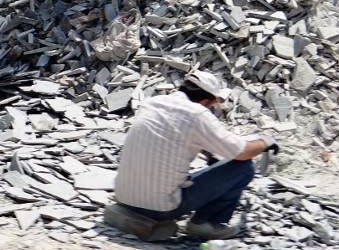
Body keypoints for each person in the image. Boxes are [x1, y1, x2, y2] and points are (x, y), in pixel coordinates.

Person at [113, 71, 278, 240]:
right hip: (158, 208)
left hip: (124, 196)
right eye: (212, 105)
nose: (211, 109)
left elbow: (169, 138)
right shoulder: (198, 114)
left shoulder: (152, 103)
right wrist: (264, 142)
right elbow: (241, 152)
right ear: (204, 101)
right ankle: (204, 224)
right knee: (243, 168)